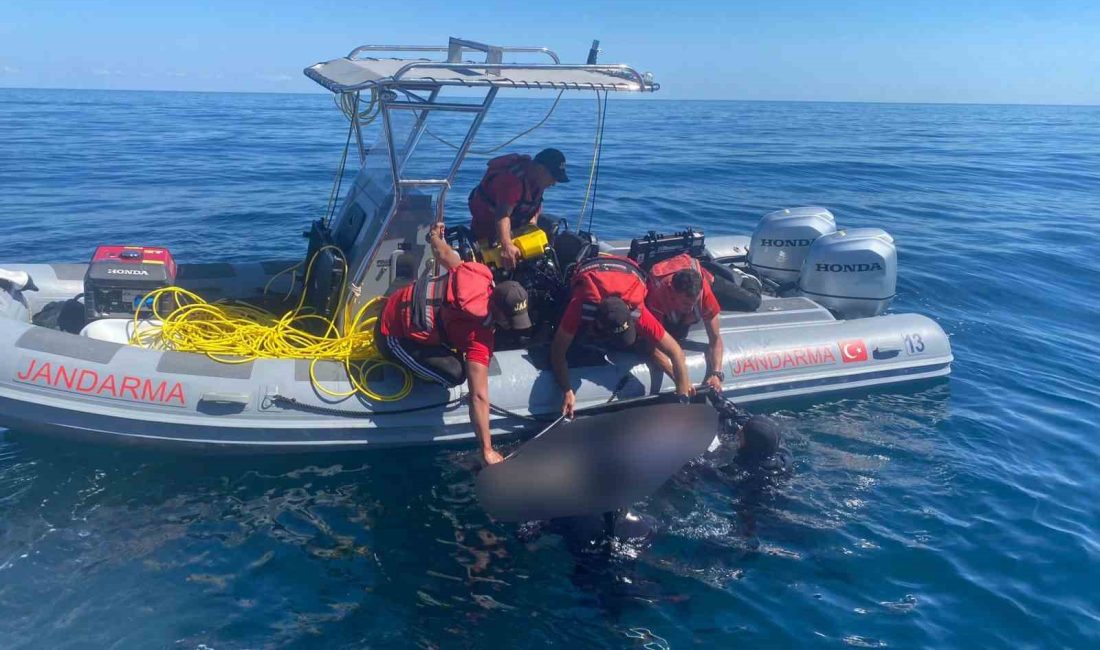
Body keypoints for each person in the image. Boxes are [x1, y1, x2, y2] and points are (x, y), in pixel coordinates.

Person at [377, 223, 531, 465]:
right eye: (510, 321)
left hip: (402, 299)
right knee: (455, 375)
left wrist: (435, 236)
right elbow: (478, 396)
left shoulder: (479, 273)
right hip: (392, 334)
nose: (512, 326)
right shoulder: (478, 337)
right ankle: (420, 376)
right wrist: (487, 450)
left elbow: (444, 254)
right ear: (499, 313)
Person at [550, 254, 693, 418]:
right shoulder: (580, 305)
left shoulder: (638, 312)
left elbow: (675, 352)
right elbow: (557, 351)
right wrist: (567, 390)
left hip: (624, 274)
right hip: (594, 275)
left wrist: (683, 398)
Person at [468, 148, 569, 269]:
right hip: (488, 230)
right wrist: (506, 246)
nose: (554, 183)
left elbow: (536, 203)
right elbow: (502, 215)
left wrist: (531, 227)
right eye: (553, 177)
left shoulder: (537, 180)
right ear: (541, 169)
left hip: (515, 227)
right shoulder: (513, 182)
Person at [644, 254, 725, 393]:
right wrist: (681, 379)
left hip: (702, 277)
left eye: (693, 303)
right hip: (663, 288)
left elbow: (715, 338)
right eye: (686, 303)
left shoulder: (703, 295)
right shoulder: (657, 295)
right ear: (672, 293)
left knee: (751, 301)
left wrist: (716, 374)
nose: (691, 308)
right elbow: (653, 346)